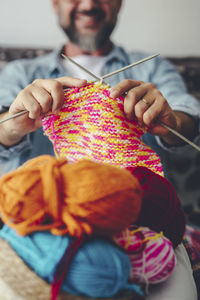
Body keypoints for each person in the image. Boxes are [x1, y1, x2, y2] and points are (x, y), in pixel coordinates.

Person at [0, 0, 198, 299]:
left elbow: (188, 119)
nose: (89, 4)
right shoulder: (21, 71)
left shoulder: (153, 67)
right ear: (55, 4)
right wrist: (10, 126)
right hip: (44, 222)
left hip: (141, 220)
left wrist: (173, 120)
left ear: (119, 4)